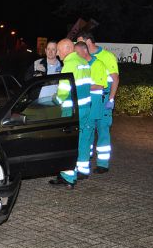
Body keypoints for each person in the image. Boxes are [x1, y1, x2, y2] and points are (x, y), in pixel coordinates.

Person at [49, 39, 92, 189]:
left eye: (59, 50)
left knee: (68, 142)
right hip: (85, 108)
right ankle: (81, 170)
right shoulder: (84, 62)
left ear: (67, 49)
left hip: (71, 110)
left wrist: (55, 99)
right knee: (82, 140)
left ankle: (68, 176)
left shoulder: (69, 64)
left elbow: (63, 90)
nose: (58, 53)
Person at [77, 32, 119, 173]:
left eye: (80, 42)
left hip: (103, 98)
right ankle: (85, 159)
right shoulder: (82, 57)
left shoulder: (107, 57)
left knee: (102, 130)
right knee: (88, 130)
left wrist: (111, 99)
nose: (77, 46)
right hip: (89, 99)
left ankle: (102, 163)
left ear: (88, 42)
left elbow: (115, 79)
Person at [74, 41, 108, 179]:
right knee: (84, 137)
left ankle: (84, 169)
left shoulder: (98, 64)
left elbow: (100, 85)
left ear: (84, 51)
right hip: (85, 104)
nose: (75, 55)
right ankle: (83, 163)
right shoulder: (82, 64)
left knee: (87, 136)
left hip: (94, 105)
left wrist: (80, 88)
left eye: (76, 53)